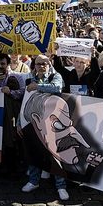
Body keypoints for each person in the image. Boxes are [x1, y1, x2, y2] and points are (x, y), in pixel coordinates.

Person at [21, 54, 68, 197]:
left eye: (44, 63)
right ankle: (33, 181)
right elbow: (25, 100)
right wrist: (19, 122)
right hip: (33, 121)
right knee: (33, 151)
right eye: (38, 63)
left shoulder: (56, 76)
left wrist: (38, 86)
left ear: (49, 64)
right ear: (34, 65)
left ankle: (61, 186)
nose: (41, 66)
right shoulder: (29, 77)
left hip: (53, 121)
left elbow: (57, 88)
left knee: (55, 154)